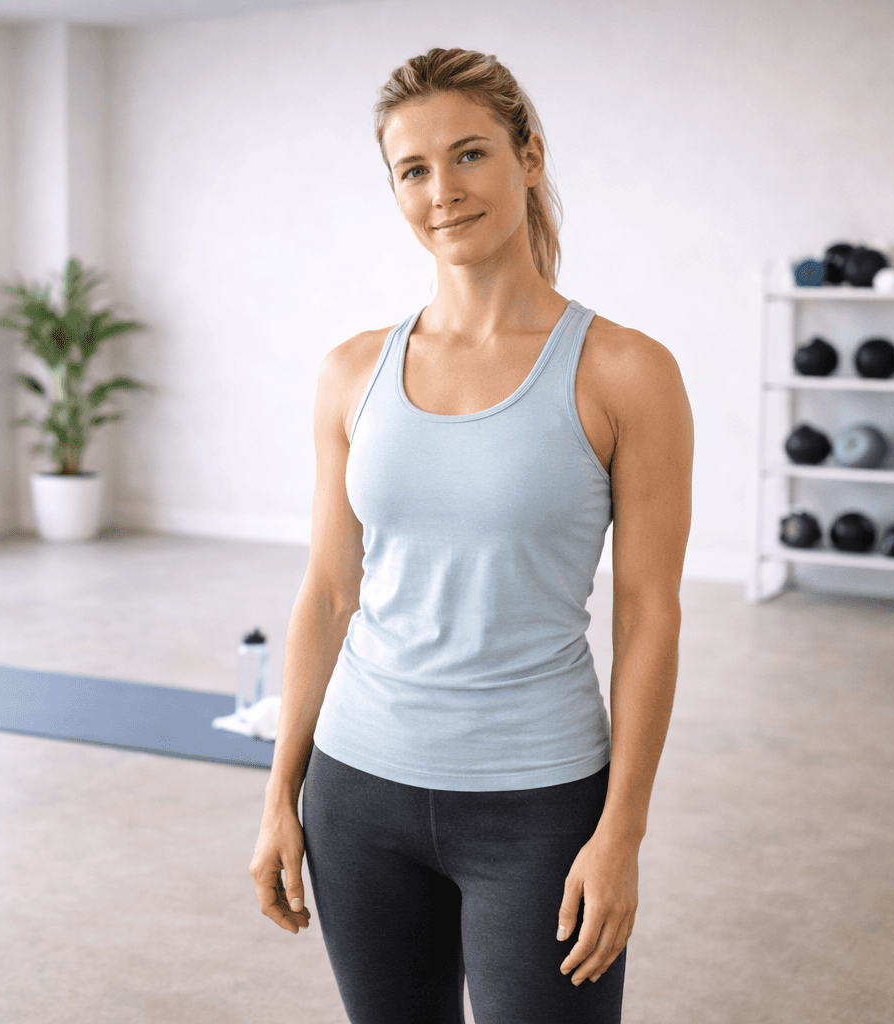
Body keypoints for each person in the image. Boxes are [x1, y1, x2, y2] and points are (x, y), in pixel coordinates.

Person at [247, 47, 693, 1023]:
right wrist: (281, 793)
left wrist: (622, 833)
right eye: (412, 169)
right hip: (356, 795)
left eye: (470, 154)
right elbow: (329, 591)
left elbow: (649, 614)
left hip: (538, 805)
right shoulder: (352, 371)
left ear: (529, 156)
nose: (442, 190)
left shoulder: (625, 371)